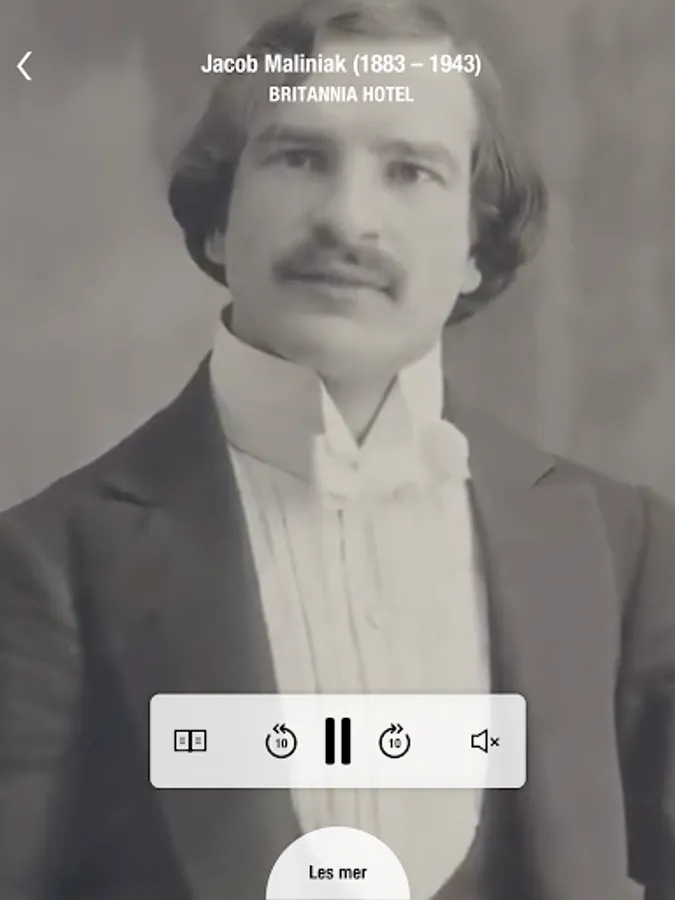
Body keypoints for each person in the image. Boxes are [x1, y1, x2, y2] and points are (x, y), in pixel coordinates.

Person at [1, 0, 674, 897]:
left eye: (409, 171)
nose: (349, 220)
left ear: (473, 248)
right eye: (300, 156)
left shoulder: (622, 550)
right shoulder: (45, 565)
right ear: (218, 216)